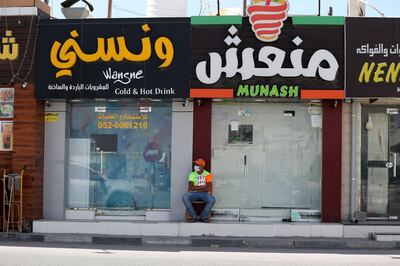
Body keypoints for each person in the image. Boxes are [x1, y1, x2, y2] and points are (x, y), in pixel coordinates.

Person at [182, 158, 215, 223]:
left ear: (202, 166)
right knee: (185, 197)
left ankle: (203, 217)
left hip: (205, 194)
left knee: (212, 200)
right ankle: (193, 216)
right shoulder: (192, 174)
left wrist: (196, 187)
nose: (195, 166)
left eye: (197, 164)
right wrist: (202, 187)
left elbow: (209, 188)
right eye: (195, 164)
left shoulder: (208, 175)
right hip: (194, 193)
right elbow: (191, 187)